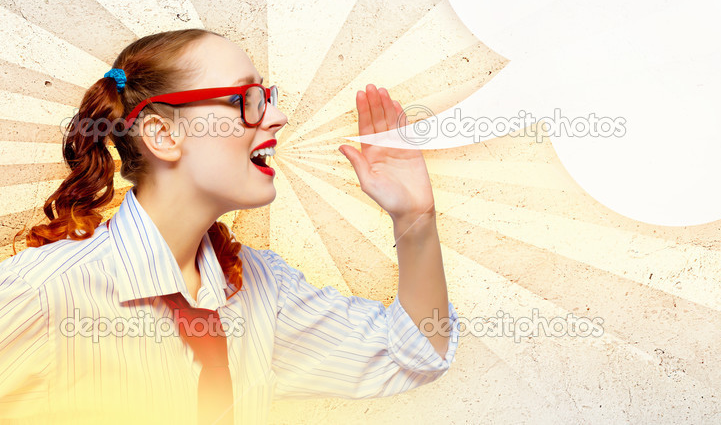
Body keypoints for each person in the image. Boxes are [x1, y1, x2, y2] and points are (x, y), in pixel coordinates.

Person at [0, 28, 458, 425]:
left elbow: (414, 354)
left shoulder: (262, 289)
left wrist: (415, 220)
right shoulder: (42, 294)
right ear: (162, 135)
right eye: (246, 100)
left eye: (267, 97)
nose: (276, 116)